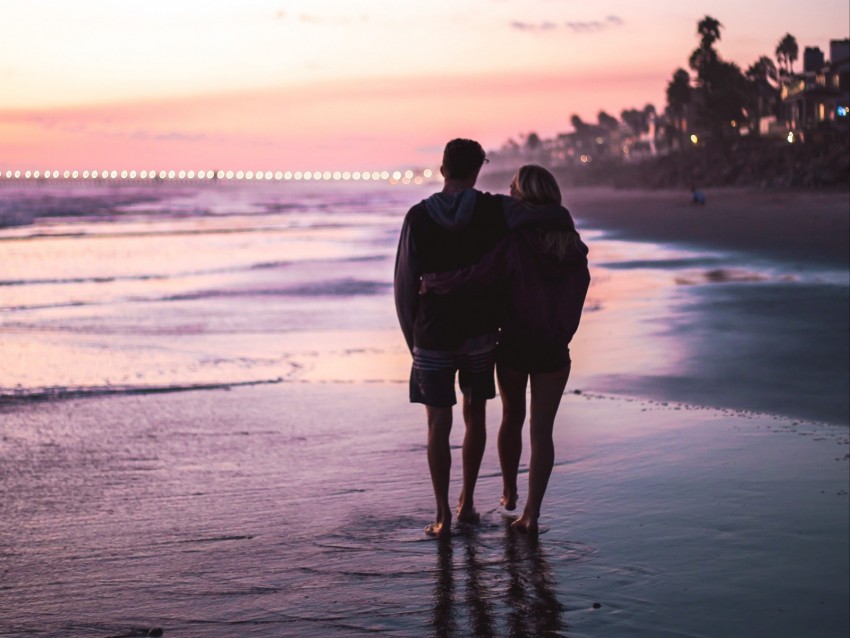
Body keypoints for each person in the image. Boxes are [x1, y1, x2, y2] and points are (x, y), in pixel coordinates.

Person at [394, 142, 571, 538]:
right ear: (478, 170)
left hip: (433, 335)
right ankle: (468, 502)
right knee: (476, 415)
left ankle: (442, 516)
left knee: (438, 422)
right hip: (479, 334)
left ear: (442, 168)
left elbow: (405, 284)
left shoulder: (417, 217)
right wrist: (562, 213)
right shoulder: (495, 209)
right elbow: (544, 211)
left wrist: (413, 340)